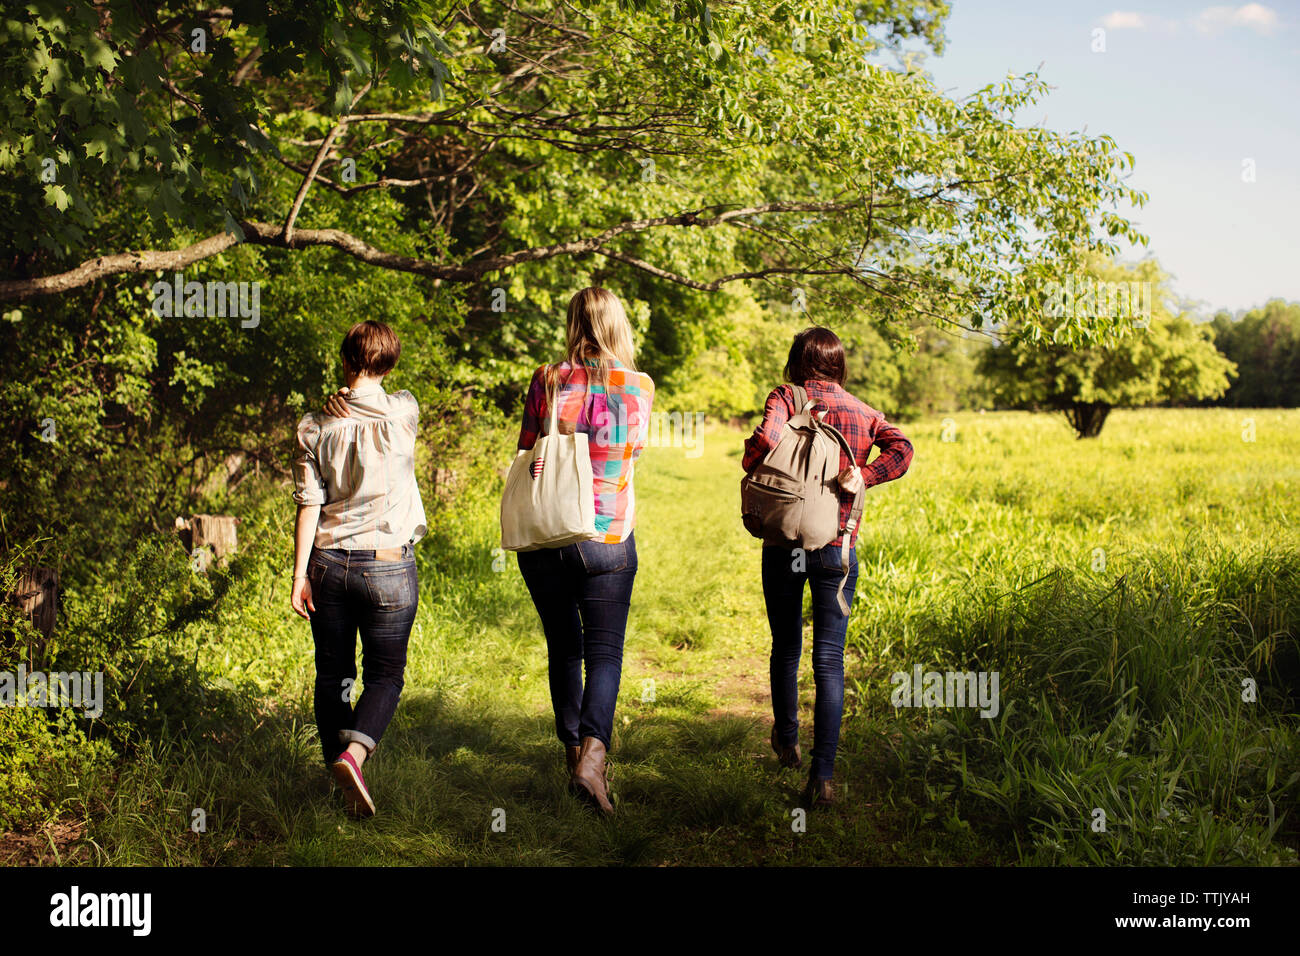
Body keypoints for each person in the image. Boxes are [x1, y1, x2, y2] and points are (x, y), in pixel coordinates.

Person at [743, 326, 913, 809]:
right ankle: (822, 776)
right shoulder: (863, 412)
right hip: (837, 547)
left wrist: (750, 463)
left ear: (798, 361)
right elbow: (903, 449)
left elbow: (764, 440)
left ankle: (788, 740)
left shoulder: (785, 397)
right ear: (838, 365)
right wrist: (867, 475)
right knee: (830, 660)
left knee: (786, 645)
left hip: (782, 543)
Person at [515, 287, 655, 814]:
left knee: (563, 649)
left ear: (574, 322)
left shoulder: (548, 378)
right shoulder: (639, 386)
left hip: (549, 534)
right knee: (604, 654)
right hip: (608, 537)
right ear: (617, 323)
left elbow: (528, 450)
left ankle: (572, 749)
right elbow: (632, 451)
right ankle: (593, 758)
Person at [290, 320, 426, 818]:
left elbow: (309, 504)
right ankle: (355, 755)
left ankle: (338, 777)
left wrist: (298, 575)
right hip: (389, 565)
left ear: (344, 360)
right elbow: (379, 397)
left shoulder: (313, 426)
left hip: (327, 562)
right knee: (386, 674)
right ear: (389, 364)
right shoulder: (406, 411)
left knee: (332, 675)